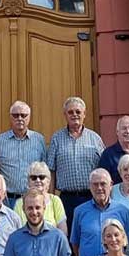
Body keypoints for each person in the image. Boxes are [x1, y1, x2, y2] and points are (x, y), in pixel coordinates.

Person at [46, 96, 104, 227]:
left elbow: (103, 170)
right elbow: (51, 171)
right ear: (65, 115)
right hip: (67, 199)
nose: (74, 115)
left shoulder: (95, 139)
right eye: (70, 112)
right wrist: (50, 201)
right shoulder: (57, 138)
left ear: (84, 114)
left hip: (91, 197)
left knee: (90, 233)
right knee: (67, 236)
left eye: (78, 112)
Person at [0, 101, 47, 205]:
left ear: (29, 117)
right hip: (8, 200)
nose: (20, 118)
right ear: (10, 117)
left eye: (23, 115)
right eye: (16, 115)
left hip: (33, 199)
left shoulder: (39, 140)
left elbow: (45, 171)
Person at [13, 161, 68, 235]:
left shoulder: (55, 201)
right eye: (33, 177)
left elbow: (63, 233)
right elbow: (17, 233)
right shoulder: (19, 203)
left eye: (42, 177)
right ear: (28, 182)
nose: (38, 180)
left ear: (48, 181)